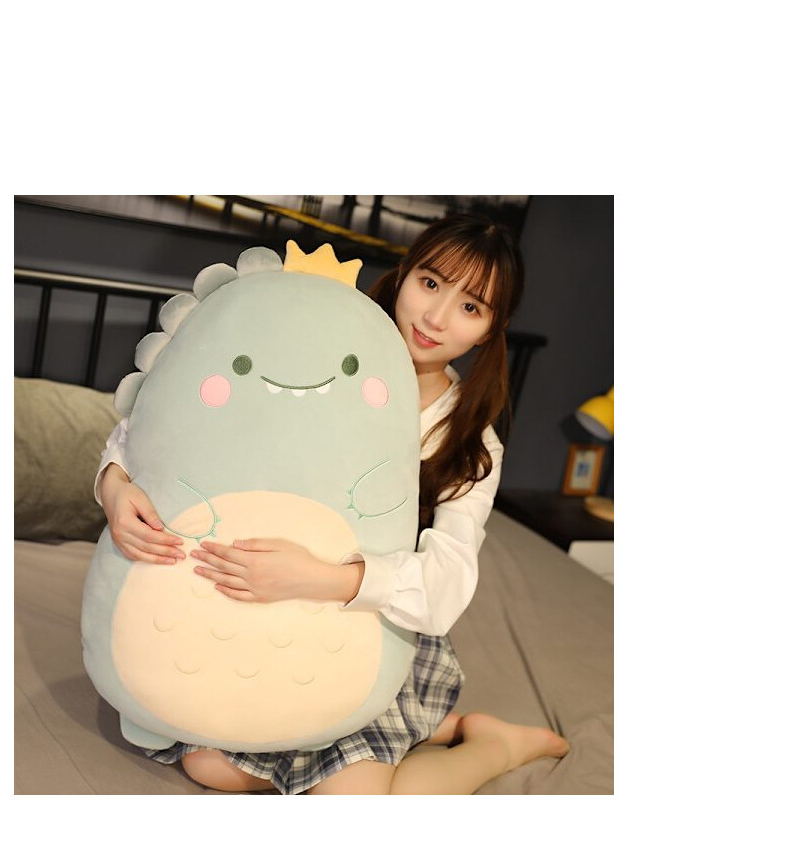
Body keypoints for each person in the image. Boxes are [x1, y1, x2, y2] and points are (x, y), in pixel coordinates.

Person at [94, 214, 569, 794]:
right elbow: (166, 423)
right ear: (404, 274)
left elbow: (447, 582)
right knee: (211, 768)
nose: (437, 317)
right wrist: (115, 485)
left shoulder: (469, 442)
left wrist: (321, 579)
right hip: (255, 607)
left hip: (365, 623)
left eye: (471, 307)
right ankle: (429, 732)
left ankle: (494, 745)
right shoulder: (317, 343)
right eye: (431, 283)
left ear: (492, 329)